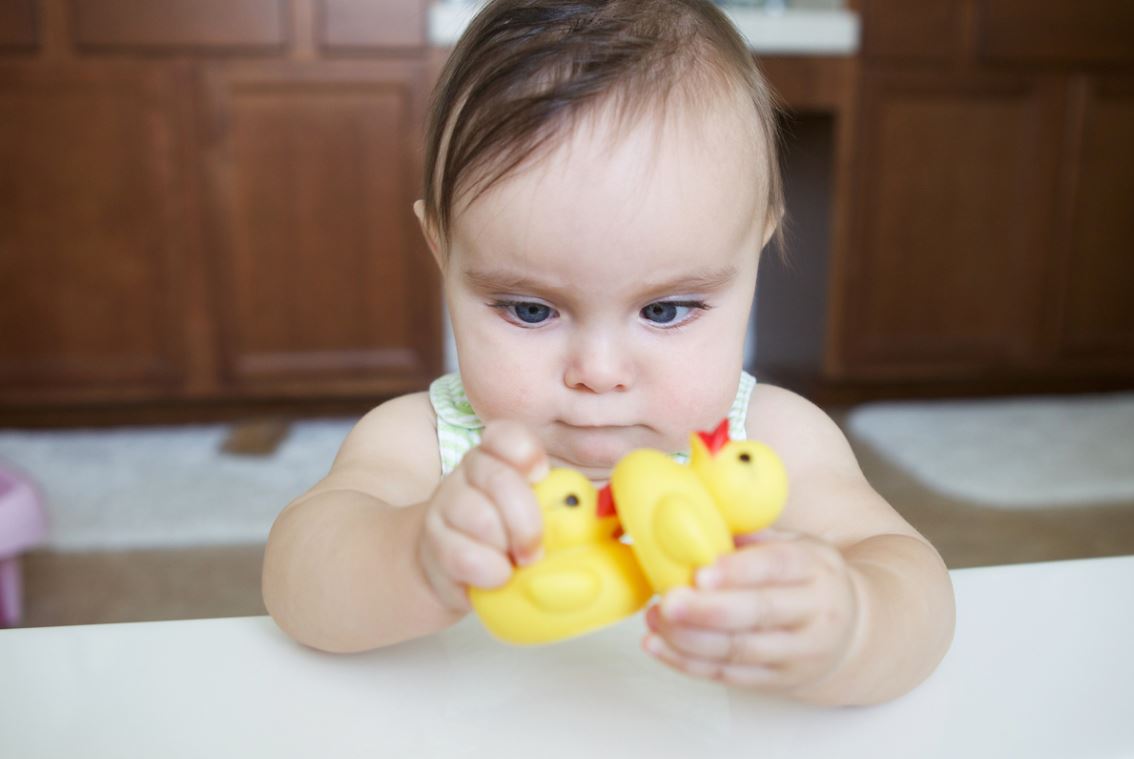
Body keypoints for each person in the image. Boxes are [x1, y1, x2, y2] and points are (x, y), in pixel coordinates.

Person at [262, 0, 955, 706]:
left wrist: (851, 624)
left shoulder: (771, 443)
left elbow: (915, 587)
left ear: (754, 250)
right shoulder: (425, 443)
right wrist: (413, 556)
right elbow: (298, 579)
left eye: (664, 310)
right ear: (442, 249)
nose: (597, 374)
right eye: (529, 309)